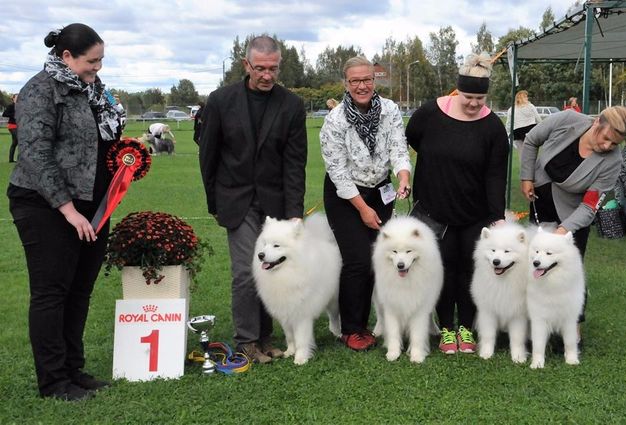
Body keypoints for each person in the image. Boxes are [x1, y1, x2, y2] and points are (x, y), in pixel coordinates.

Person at [7, 23, 121, 401]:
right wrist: (68, 210)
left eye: (101, 60)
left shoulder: (92, 90)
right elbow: (36, 154)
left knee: (79, 290)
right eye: (92, 61)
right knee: (51, 292)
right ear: (67, 56)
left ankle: (73, 368)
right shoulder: (40, 91)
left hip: (92, 203)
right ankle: (54, 381)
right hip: (44, 204)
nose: (98, 68)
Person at [199, 35, 307, 363]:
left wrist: (294, 213)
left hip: (275, 204)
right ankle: (246, 342)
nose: (266, 75)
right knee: (246, 271)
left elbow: (294, 163)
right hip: (236, 200)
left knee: (270, 269)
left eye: (272, 68)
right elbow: (208, 156)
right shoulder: (220, 101)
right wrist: (214, 203)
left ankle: (264, 338)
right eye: (259, 68)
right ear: (246, 65)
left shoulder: (291, 104)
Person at [405, 52, 509, 355]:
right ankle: (446, 329)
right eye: (468, 97)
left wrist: (497, 216)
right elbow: (411, 139)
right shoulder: (429, 114)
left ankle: (466, 327)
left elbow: (495, 175)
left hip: (474, 214)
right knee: (442, 269)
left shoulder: (492, 127)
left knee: (469, 270)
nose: (474, 103)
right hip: (434, 211)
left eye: (480, 97)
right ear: (456, 91)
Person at [320, 56, 411, 352]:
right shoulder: (335, 121)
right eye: (355, 81)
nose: (362, 86)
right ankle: (352, 329)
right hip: (345, 195)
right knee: (358, 260)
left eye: (367, 79)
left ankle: (374, 323)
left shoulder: (390, 110)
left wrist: (403, 176)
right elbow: (338, 172)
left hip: (380, 190)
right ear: (346, 84)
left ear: (375, 80)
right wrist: (362, 208)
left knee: (375, 258)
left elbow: (399, 147)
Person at [520, 105, 626, 335]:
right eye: (605, 139)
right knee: (537, 264)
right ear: (596, 123)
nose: (607, 146)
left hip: (573, 214)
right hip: (541, 201)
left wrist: (564, 231)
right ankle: (538, 324)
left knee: (570, 271)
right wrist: (526, 177)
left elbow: (590, 205)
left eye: (614, 144)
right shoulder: (567, 120)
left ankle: (574, 331)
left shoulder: (612, 162)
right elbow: (532, 140)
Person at [3, 94, 18, 162]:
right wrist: (13, 115)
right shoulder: (11, 106)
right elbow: (4, 114)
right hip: (12, 126)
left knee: (15, 142)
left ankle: (11, 160)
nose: (18, 99)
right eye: (16, 97)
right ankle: (22, 159)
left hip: (19, 126)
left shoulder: (21, 106)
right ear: (13, 99)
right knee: (19, 139)